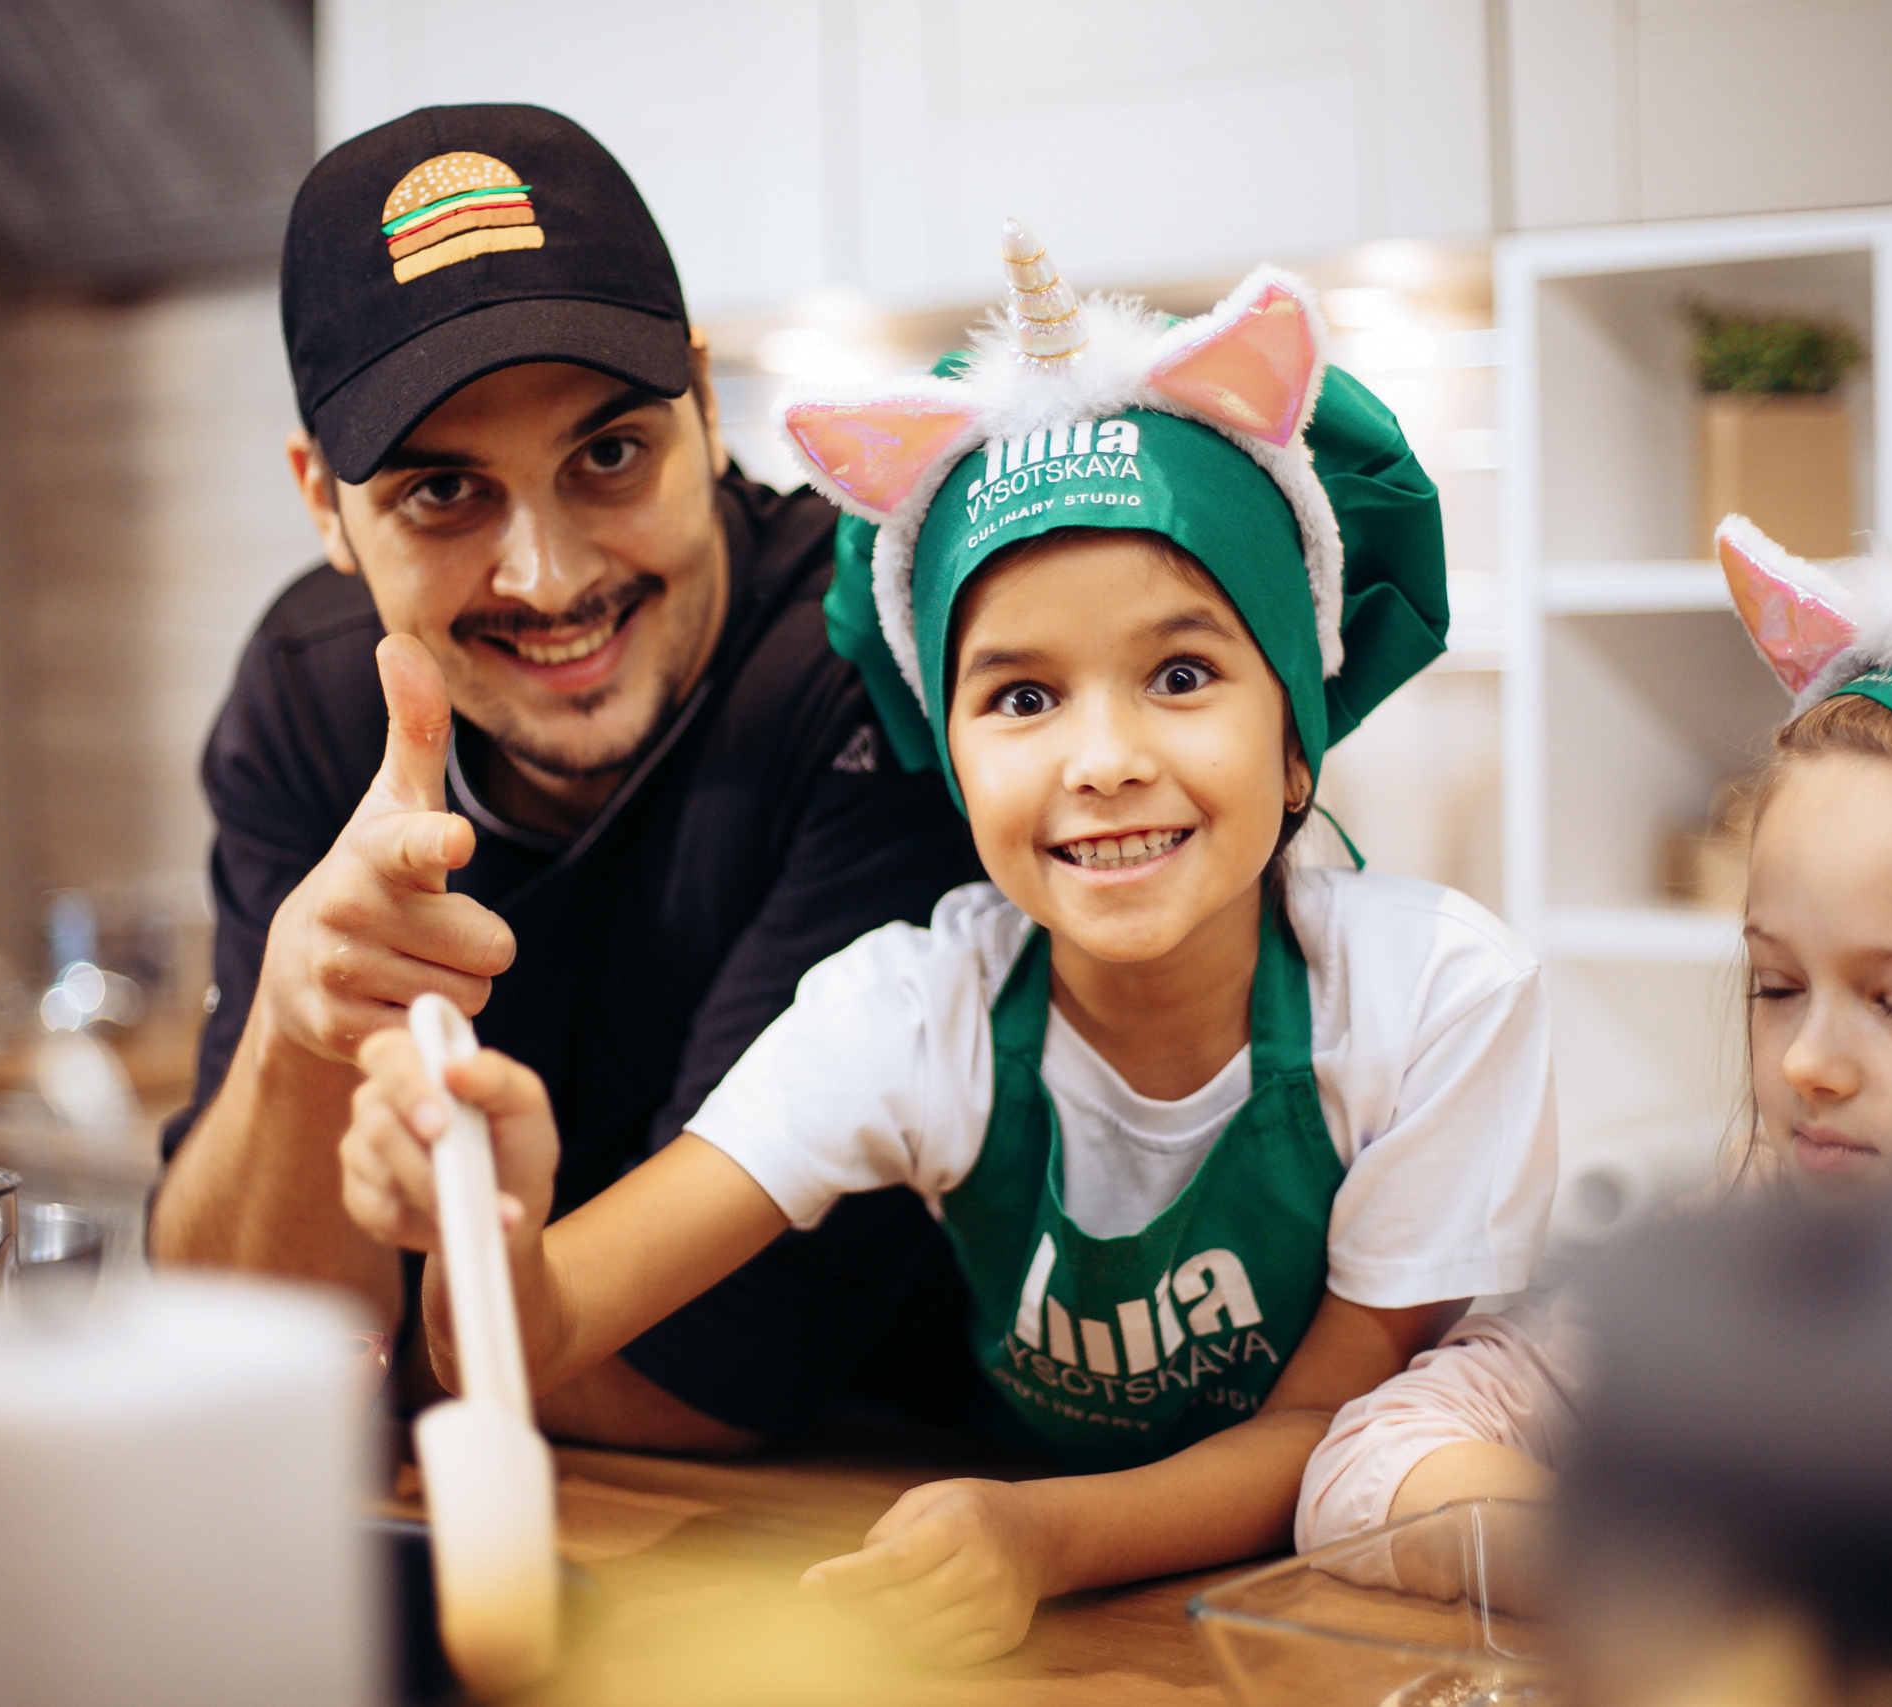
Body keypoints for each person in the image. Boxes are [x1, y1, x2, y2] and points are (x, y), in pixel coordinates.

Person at [342, 228, 1557, 1663]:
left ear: (1297, 722)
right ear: (949, 749)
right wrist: (489, 1226)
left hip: (1382, 1624)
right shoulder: (914, 1010)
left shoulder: (1431, 999)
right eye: (1023, 695)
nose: (1100, 759)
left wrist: (1042, 1533)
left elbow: (1324, 1429)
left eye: (1180, 674)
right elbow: (517, 1345)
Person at [146, 103, 999, 1449]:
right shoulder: (310, 699)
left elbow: (707, 1372)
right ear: (325, 506)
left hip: (890, 1538)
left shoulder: (872, 664)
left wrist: (382, 1348)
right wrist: (299, 1034)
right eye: (443, 492)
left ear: (707, 408)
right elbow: (232, 1361)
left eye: (608, 454)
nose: (547, 577)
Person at [1293, 404, 1892, 1547]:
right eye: (1774, 986)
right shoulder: (1753, 1250)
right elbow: (1363, 1469)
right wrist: (1662, 1567)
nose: (1808, 1061)